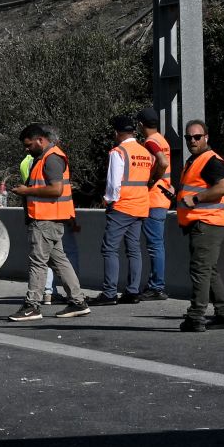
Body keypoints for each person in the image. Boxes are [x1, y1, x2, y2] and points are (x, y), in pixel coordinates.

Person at [7, 124, 90, 321]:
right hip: (49, 219)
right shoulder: (46, 157)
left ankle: (32, 306)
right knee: (59, 261)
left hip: (45, 219)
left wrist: (26, 191)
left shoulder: (51, 158)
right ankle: (78, 302)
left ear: (40, 140)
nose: (26, 149)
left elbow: (56, 190)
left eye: (29, 145)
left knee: (38, 262)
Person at [176, 121, 224, 331]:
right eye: (188, 138)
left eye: (197, 137)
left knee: (200, 269)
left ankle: (196, 316)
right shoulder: (195, 160)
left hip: (208, 222)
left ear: (206, 137)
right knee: (209, 269)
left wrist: (196, 198)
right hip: (202, 221)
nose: (192, 141)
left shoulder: (211, 161)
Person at [94, 114, 153, 305]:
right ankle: (132, 291)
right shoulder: (145, 152)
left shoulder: (118, 152)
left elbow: (114, 183)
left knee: (109, 248)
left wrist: (108, 200)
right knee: (134, 249)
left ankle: (110, 293)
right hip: (141, 205)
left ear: (116, 133)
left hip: (122, 206)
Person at [137, 107, 174, 300]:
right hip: (162, 197)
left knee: (154, 245)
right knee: (157, 244)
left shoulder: (151, 142)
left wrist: (152, 179)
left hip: (154, 198)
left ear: (140, 125)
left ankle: (156, 286)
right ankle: (155, 284)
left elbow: (163, 163)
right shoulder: (162, 139)